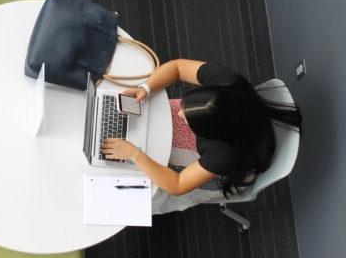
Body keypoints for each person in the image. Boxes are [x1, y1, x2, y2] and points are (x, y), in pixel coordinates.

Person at [100, 59, 302, 199]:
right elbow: (178, 67)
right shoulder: (227, 82)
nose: (179, 115)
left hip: (228, 167)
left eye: (186, 118)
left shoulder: (223, 154)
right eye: (184, 108)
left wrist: (135, 154)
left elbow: (177, 185)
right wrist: (145, 88)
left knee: (148, 186)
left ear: (209, 132)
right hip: (240, 127)